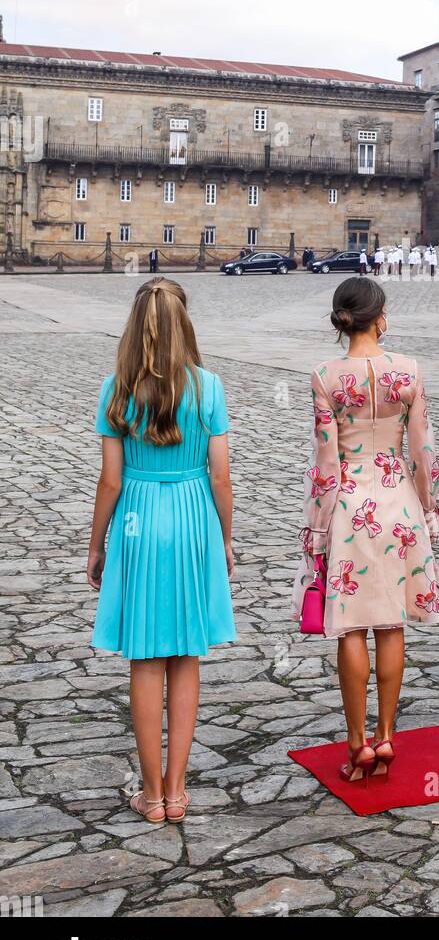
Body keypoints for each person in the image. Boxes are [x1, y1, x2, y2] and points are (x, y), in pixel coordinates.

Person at [290, 277, 439, 784]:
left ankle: (357, 742)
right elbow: (423, 451)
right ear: (381, 316)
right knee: (392, 621)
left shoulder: (325, 375)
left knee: (353, 623)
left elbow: (324, 461)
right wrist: (429, 509)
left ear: (342, 320)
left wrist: (315, 529)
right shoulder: (409, 371)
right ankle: (386, 734)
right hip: (397, 499)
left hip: (349, 504)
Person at [86, 279, 235, 825]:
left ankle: (148, 797)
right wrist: (225, 538)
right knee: (186, 655)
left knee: (145, 657)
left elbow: (109, 481)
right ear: (185, 324)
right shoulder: (209, 388)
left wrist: (97, 544)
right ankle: (177, 792)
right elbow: (221, 476)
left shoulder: (116, 390)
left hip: (138, 521)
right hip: (194, 515)